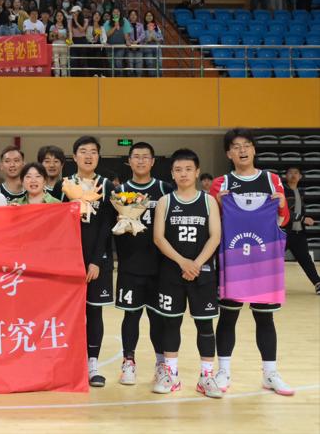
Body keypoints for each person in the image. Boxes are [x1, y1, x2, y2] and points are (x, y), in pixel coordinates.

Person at [209, 128, 293, 396]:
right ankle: (223, 371)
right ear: (228, 154)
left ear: (254, 150)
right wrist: (219, 205)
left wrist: (282, 204)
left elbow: (284, 220)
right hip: (232, 261)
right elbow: (213, 223)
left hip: (264, 263)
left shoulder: (271, 180)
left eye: (246, 145)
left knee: (265, 319)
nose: (242, 150)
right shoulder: (221, 184)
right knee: (228, 317)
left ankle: (270, 373)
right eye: (236, 146)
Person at [152, 148, 223, 398]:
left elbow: (215, 236)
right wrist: (183, 262)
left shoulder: (208, 201)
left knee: (205, 325)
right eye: (178, 170)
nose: (183, 174)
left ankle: (206, 377)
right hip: (172, 273)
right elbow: (159, 238)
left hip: (202, 273)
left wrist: (196, 264)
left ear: (197, 172)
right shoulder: (165, 202)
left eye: (188, 169)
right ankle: (171, 375)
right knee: (171, 324)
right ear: (172, 173)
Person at [114, 142, 172, 386]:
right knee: (131, 316)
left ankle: (161, 364)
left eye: (145, 157)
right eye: (136, 157)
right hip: (130, 265)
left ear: (153, 161)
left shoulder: (164, 189)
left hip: (160, 266)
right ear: (129, 161)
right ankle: (128, 362)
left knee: (158, 318)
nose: (140, 161)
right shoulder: (120, 191)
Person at [63, 136, 115, 387]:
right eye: (83, 151)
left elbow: (106, 226)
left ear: (98, 157)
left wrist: (95, 261)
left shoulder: (106, 185)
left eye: (93, 152)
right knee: (70, 313)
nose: (88, 156)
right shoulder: (64, 185)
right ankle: (70, 364)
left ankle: (92, 365)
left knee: (94, 311)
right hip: (68, 261)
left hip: (97, 261)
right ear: (74, 157)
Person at [282, 166, 320, 292]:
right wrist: (303, 219)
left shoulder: (300, 192)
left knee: (306, 260)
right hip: (283, 233)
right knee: (272, 261)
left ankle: (317, 283)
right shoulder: (282, 191)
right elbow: (284, 212)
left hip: (299, 233)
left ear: (300, 177)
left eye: (296, 173)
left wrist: (303, 222)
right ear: (286, 176)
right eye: (290, 173)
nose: (293, 175)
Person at [104, 8, 132, 77]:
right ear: (112, 14)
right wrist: (115, 26)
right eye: (114, 12)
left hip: (120, 47)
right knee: (112, 65)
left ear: (120, 13)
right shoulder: (107, 22)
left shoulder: (124, 21)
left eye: (118, 12)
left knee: (118, 62)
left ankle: (119, 79)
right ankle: (112, 79)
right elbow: (106, 35)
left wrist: (127, 40)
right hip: (110, 47)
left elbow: (126, 33)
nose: (116, 13)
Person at [68, 6, 89, 77]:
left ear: (79, 12)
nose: (73, 14)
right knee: (73, 60)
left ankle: (83, 78)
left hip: (83, 40)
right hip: (74, 40)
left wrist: (76, 21)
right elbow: (70, 32)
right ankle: (74, 78)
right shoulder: (70, 21)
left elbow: (82, 30)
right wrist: (70, 40)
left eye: (75, 12)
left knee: (83, 60)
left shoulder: (85, 20)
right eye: (72, 12)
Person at [141, 11, 163, 77]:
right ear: (145, 17)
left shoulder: (156, 27)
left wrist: (155, 39)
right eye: (147, 15)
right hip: (147, 49)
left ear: (153, 17)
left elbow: (161, 38)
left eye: (150, 15)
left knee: (159, 64)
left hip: (157, 48)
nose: (149, 17)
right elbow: (141, 40)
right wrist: (147, 40)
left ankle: (159, 79)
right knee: (150, 64)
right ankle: (152, 79)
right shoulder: (142, 27)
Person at [49, 11, 70, 77]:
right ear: (55, 17)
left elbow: (69, 40)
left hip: (64, 47)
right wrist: (56, 36)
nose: (59, 17)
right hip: (55, 47)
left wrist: (65, 38)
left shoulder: (66, 27)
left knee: (64, 63)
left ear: (63, 17)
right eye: (58, 15)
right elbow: (50, 38)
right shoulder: (52, 27)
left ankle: (64, 77)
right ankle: (57, 77)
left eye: (61, 15)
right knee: (56, 63)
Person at [126, 10, 145, 77]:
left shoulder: (140, 25)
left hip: (139, 48)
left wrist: (137, 42)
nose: (133, 16)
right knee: (130, 66)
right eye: (131, 14)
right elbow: (126, 35)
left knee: (139, 67)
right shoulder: (127, 25)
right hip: (130, 48)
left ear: (137, 16)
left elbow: (143, 35)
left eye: (135, 14)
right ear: (129, 16)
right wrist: (131, 42)